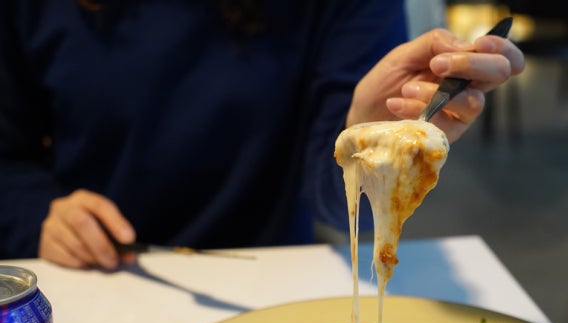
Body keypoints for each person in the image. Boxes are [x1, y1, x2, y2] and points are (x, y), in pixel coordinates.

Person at [0, 0, 524, 269]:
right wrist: (39, 216)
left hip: (271, 277)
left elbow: (336, 202)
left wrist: (367, 142)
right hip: (94, 273)